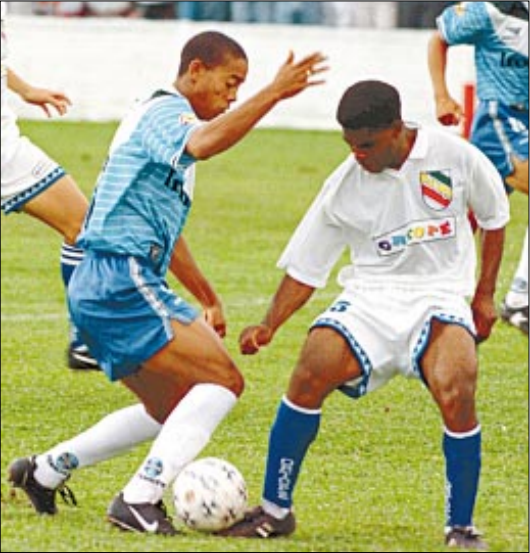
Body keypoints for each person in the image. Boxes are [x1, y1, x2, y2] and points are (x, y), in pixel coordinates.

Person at [7, 30, 327, 535]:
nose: (233, 96)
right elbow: (204, 142)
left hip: (102, 282)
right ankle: (139, 499)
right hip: (120, 278)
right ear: (196, 70)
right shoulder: (166, 113)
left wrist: (207, 296)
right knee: (224, 381)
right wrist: (273, 93)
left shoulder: (162, 135)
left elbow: (167, 235)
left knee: (172, 405)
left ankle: (44, 470)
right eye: (230, 82)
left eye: (241, 88)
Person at [218, 80, 509, 550]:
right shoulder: (344, 185)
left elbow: (494, 217)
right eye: (349, 144)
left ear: (397, 128)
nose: (356, 154)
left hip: (439, 295)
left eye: (366, 144)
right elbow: (307, 267)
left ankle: (461, 527)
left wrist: (484, 296)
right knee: (311, 368)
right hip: (371, 295)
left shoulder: (454, 157)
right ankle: (275, 510)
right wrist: (269, 324)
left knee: (458, 382)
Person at [1, 2, 100, 370]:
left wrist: (25, 90)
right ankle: (85, 339)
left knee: (84, 227)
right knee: (84, 227)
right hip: (5, 153)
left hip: (9, 148)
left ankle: (85, 340)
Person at [427, 1, 529, 335]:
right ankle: (520, 299)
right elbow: (439, 38)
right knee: (466, 215)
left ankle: (433, 295)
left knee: (465, 218)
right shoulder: (490, 10)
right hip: (502, 118)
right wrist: (441, 96)